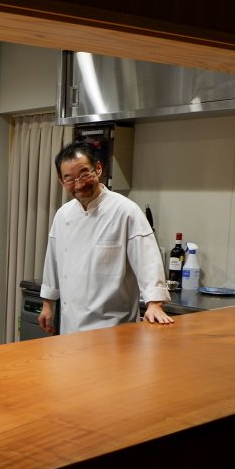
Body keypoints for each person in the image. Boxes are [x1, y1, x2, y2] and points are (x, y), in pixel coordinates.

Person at [38, 140, 173, 335]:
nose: (79, 184)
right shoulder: (63, 215)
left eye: (84, 174)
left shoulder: (126, 211)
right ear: (61, 181)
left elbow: (147, 259)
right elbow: (53, 261)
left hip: (114, 329)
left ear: (98, 169)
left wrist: (154, 304)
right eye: (70, 179)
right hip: (71, 328)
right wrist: (47, 304)